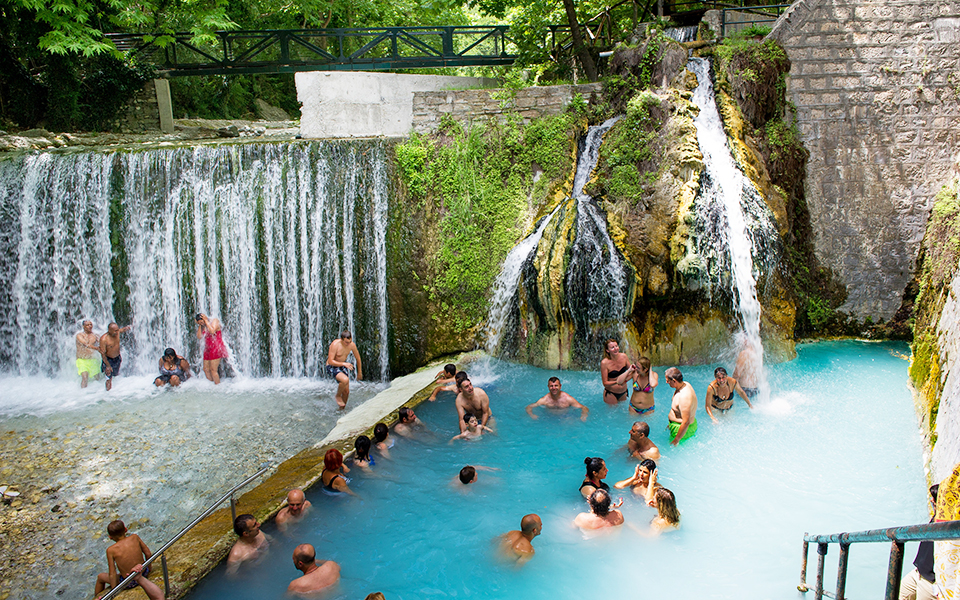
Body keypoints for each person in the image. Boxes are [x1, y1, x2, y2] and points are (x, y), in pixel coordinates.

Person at [94, 520, 164, 600]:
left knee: (101, 577)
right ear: (126, 529)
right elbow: (147, 553)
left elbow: (112, 573)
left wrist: (114, 591)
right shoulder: (135, 537)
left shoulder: (111, 550)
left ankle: (96, 598)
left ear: (110, 537)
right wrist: (149, 569)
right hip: (144, 572)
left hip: (129, 582)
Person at [899, 484, 939, 600]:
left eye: (934, 499)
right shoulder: (937, 517)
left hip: (930, 581)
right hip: (918, 572)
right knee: (898, 593)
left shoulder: (950, 524)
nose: (932, 501)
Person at [326, 330, 362, 408]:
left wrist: (359, 372)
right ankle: (338, 395)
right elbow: (330, 361)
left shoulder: (352, 345)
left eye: (349, 341)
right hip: (332, 366)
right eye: (346, 342)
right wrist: (344, 364)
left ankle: (341, 409)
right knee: (345, 380)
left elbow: (358, 358)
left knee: (346, 392)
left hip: (342, 365)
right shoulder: (335, 344)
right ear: (341, 340)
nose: (348, 344)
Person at [665, 367, 698, 445]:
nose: (666, 382)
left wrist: (676, 440)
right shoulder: (685, 384)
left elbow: (686, 422)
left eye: (668, 381)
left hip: (681, 430)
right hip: (677, 425)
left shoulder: (684, 397)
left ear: (674, 381)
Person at [98, 322, 131, 391]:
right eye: (115, 330)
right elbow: (103, 354)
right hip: (108, 360)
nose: (117, 332)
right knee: (109, 378)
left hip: (117, 358)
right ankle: (108, 393)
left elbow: (123, 329)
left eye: (117, 330)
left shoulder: (117, 332)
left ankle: (115, 392)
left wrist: (130, 327)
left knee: (115, 375)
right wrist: (108, 365)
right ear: (109, 330)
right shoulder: (104, 339)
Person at [196, 313, 227, 384]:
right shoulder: (203, 325)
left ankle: (218, 386)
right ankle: (212, 386)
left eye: (202, 322)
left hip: (216, 348)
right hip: (207, 349)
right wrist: (200, 325)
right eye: (200, 323)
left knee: (213, 370)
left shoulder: (214, 321)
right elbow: (199, 337)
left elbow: (212, 331)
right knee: (206, 369)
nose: (202, 323)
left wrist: (206, 321)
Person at [600, 339, 632, 404]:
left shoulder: (624, 356)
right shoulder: (604, 363)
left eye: (616, 346)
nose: (615, 349)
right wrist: (618, 382)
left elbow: (632, 371)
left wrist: (625, 380)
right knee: (612, 413)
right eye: (612, 347)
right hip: (611, 394)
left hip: (623, 392)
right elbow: (605, 383)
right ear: (607, 350)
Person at [76, 320, 101, 388]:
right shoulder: (79, 335)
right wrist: (97, 348)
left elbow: (101, 344)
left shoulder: (95, 336)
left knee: (97, 378)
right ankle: (83, 394)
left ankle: (99, 393)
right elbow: (85, 344)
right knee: (85, 377)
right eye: (87, 325)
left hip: (92, 359)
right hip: (82, 360)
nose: (90, 326)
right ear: (83, 326)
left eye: (91, 324)